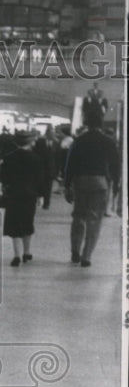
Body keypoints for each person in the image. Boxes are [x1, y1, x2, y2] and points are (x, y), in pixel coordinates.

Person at [64, 102, 120, 268]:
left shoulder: (79, 140)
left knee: (78, 217)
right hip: (100, 182)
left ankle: (75, 251)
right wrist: (116, 183)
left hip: (80, 181)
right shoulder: (108, 141)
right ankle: (86, 256)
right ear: (101, 124)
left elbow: (70, 164)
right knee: (94, 220)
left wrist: (67, 185)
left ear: (86, 123)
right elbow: (115, 164)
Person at [0, 129, 45, 267]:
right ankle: (27, 252)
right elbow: (40, 180)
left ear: (16, 142)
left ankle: (16, 255)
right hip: (30, 195)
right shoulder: (36, 159)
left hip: (13, 194)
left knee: (14, 225)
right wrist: (41, 195)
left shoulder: (9, 157)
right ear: (30, 142)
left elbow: (2, 177)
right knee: (27, 222)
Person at [34, 125, 57, 210]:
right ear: (47, 133)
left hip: (51, 169)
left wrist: (57, 171)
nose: (53, 135)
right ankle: (39, 199)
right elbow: (35, 154)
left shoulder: (56, 143)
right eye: (51, 133)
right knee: (40, 185)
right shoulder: (39, 142)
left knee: (48, 187)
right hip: (41, 168)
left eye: (53, 133)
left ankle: (46, 204)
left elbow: (58, 158)